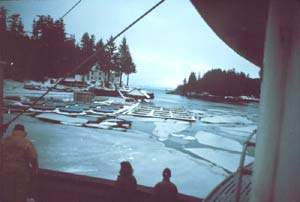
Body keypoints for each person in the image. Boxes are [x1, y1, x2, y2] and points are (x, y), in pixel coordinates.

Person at [0, 124, 39, 202]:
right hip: (21, 174)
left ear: (13, 131)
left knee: (6, 194)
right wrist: (35, 169)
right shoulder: (27, 143)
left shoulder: (3, 141)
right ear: (24, 132)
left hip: (5, 172)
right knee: (19, 195)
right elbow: (33, 158)